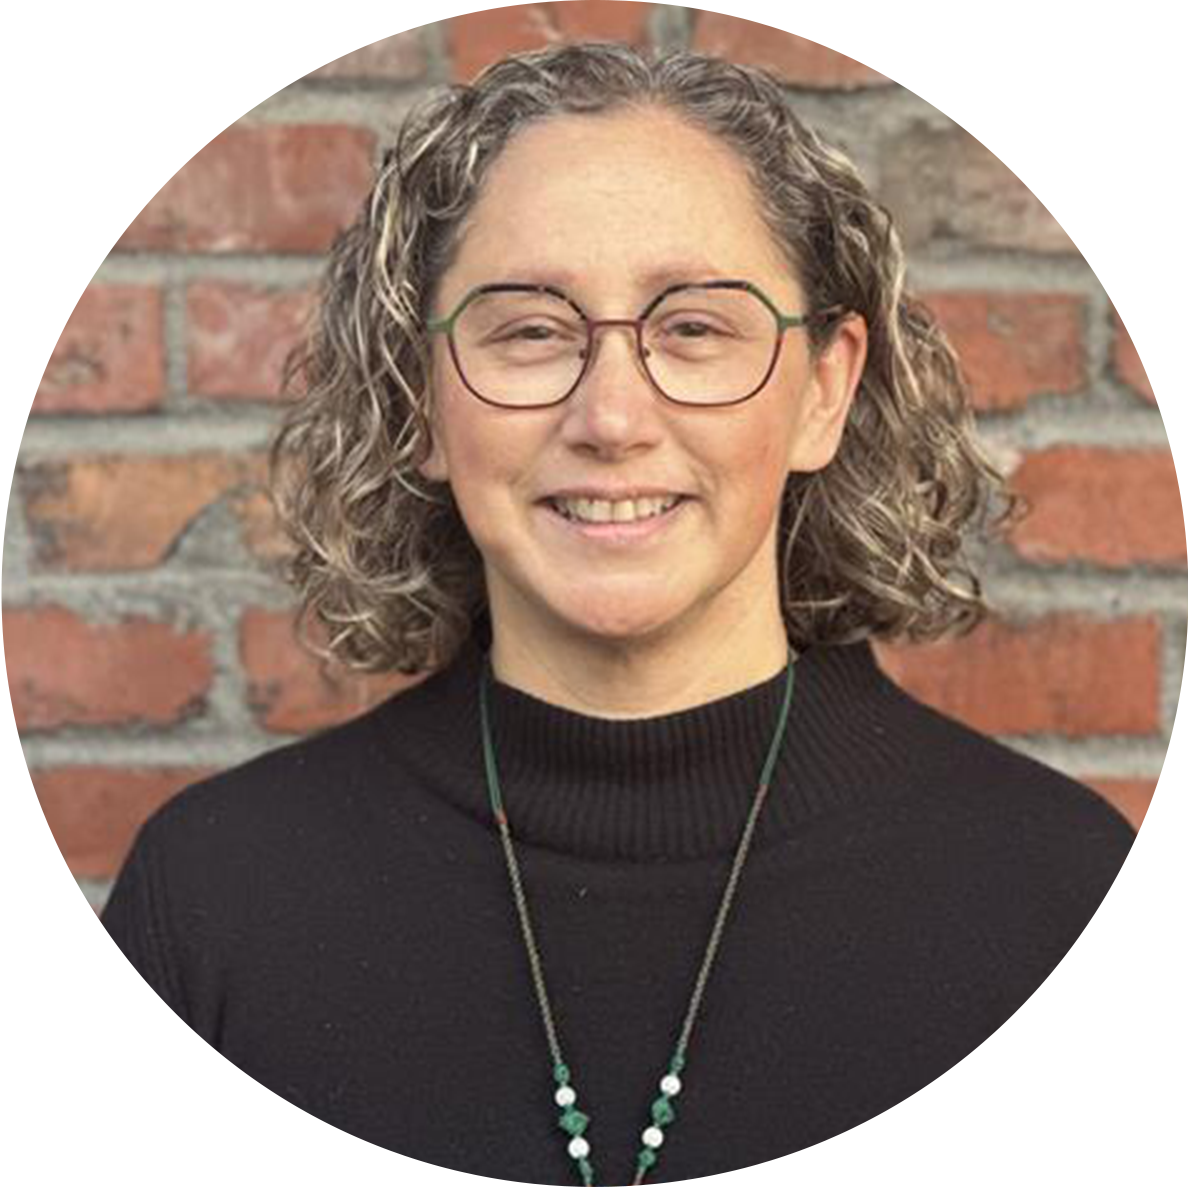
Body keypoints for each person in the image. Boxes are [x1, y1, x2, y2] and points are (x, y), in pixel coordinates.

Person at [100, 40, 1137, 1187]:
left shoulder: (1075, 903)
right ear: (421, 399)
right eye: (529, 330)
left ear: (824, 390)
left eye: (694, 328)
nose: (612, 418)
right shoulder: (214, 900)